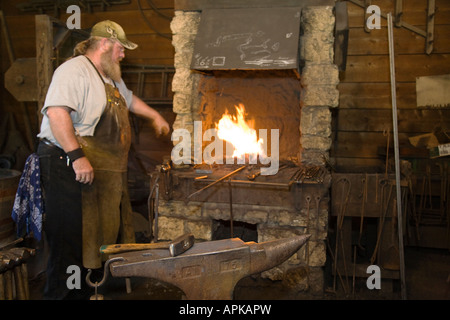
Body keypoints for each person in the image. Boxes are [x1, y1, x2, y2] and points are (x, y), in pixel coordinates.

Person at [36, 20, 170, 299]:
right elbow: (57, 114)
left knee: (93, 237)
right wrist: (77, 157)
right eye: (121, 48)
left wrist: (155, 115)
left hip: (95, 168)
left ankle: (87, 292)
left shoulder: (110, 76)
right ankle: (60, 295)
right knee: (69, 239)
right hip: (65, 162)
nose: (123, 55)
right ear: (105, 44)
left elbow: (129, 100)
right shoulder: (73, 71)